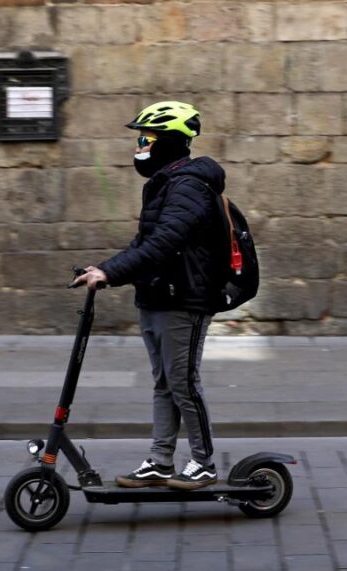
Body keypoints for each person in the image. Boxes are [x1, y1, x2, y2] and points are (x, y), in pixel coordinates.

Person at [72, 100, 226, 490]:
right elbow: (143, 243)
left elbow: (163, 244)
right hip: (158, 296)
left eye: (146, 138)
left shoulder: (189, 186)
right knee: (165, 383)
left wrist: (112, 272)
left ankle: (204, 462)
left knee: (183, 382)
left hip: (183, 300)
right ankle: (160, 461)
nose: (140, 145)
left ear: (170, 142)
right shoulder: (165, 185)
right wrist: (104, 269)